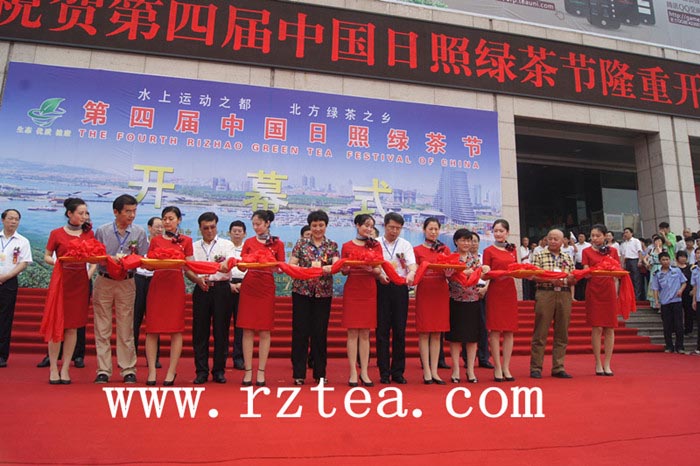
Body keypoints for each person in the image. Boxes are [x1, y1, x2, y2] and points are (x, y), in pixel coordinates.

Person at [93, 194, 148, 384]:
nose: (132, 215)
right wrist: (111, 259)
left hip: (127, 281)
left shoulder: (139, 232)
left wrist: (129, 261)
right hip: (105, 280)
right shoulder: (103, 231)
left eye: (134, 211)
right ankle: (103, 370)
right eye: (128, 211)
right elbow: (96, 256)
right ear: (116, 212)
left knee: (126, 327)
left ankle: (128, 369)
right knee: (102, 327)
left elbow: (142, 257)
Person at [43, 198, 93, 384]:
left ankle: (65, 368)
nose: (84, 216)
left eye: (85, 213)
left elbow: (94, 258)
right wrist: (58, 262)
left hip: (80, 283)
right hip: (62, 281)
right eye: (80, 213)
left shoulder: (89, 234)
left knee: (73, 327)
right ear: (69, 214)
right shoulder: (56, 233)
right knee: (57, 324)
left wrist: (88, 274)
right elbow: (47, 256)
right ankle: (53, 368)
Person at [289, 210, 340, 385]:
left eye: (321, 225)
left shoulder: (332, 245)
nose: (318, 229)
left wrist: (330, 268)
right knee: (300, 332)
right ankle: (298, 373)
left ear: (326, 226)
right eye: (314, 225)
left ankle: (320, 373)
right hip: (301, 292)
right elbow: (292, 264)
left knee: (320, 333)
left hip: (323, 294)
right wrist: (304, 270)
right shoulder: (301, 244)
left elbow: (337, 265)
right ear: (310, 226)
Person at [144, 206, 193, 386]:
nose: (167, 222)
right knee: (152, 329)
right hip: (158, 285)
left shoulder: (186, 241)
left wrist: (200, 279)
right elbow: (149, 264)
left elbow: (189, 266)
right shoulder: (155, 240)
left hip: (175, 285)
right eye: (164, 218)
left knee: (176, 329)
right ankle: (151, 371)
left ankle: (171, 371)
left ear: (179, 220)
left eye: (171, 218)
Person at [238, 210, 285, 387]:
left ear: (267, 223)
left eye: (259, 224)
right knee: (247, 330)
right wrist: (242, 263)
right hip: (250, 285)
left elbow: (280, 268)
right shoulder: (249, 242)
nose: (256, 227)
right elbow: (242, 267)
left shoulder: (277, 243)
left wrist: (270, 263)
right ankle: (248, 370)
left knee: (265, 330)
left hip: (266, 286)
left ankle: (261, 371)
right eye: (254, 224)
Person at [188, 212, 236, 384]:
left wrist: (222, 266)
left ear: (217, 226)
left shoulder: (227, 245)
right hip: (201, 289)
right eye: (205, 228)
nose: (209, 231)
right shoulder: (193, 246)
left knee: (221, 331)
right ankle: (201, 371)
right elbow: (187, 268)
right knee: (200, 332)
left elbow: (229, 263)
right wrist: (197, 279)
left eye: (212, 227)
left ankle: (219, 370)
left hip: (221, 289)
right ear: (200, 228)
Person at [341, 213, 382, 387]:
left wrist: (371, 269)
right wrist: (347, 267)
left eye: (371, 226)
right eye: (366, 225)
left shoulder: (376, 245)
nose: (368, 229)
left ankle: (364, 371)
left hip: (368, 290)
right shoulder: (347, 246)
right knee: (352, 332)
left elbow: (379, 270)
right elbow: (343, 271)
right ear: (357, 225)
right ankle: (352, 371)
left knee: (365, 333)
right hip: (353, 289)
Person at [376, 212, 416, 385]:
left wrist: (412, 273)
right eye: (391, 227)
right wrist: (379, 275)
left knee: (400, 331)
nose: (394, 231)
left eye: (398, 228)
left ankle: (398, 372)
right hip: (381, 286)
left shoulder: (405, 244)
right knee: (382, 331)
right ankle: (384, 372)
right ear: (384, 226)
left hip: (400, 287)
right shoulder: (376, 243)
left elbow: (412, 264)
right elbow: (373, 264)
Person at [529, 229, 575, 379]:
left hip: (564, 293)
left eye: (556, 239)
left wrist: (572, 279)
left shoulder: (567, 257)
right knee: (540, 331)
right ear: (546, 239)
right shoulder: (539, 255)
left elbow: (573, 277)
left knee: (562, 332)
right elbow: (533, 275)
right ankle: (536, 367)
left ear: (563, 241)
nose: (553, 241)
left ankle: (558, 367)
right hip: (545, 292)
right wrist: (550, 279)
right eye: (550, 238)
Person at [413, 217, 452, 385]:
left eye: (436, 229)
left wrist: (449, 273)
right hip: (425, 291)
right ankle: (427, 371)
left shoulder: (445, 249)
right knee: (424, 332)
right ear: (424, 230)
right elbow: (414, 271)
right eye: (430, 229)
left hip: (440, 291)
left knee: (437, 333)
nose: (434, 232)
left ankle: (435, 371)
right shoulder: (416, 250)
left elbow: (450, 270)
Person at [582, 224, 621, 376]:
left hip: (609, 290)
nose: (594, 238)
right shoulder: (586, 251)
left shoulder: (613, 251)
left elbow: (618, 272)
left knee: (610, 327)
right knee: (597, 327)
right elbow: (585, 272)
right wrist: (593, 271)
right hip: (594, 289)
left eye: (598, 235)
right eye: (592, 235)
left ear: (605, 236)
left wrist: (616, 292)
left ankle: (608, 363)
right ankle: (598, 362)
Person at [483, 219, 518, 382]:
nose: (498, 234)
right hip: (495, 291)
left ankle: (506, 367)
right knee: (495, 330)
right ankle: (497, 366)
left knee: (509, 330)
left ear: (507, 233)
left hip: (509, 290)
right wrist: (486, 272)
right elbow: (485, 275)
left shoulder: (512, 249)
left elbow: (516, 268)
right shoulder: (488, 251)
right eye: (495, 231)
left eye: (501, 231)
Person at [447, 229, 482, 383]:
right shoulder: (451, 258)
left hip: (472, 300)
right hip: (455, 300)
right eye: (463, 240)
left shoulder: (475, 259)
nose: (466, 243)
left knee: (472, 338)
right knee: (455, 337)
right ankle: (455, 369)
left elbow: (479, 276)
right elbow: (446, 277)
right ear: (456, 241)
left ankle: (470, 370)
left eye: (469, 240)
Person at [0, 209, 32, 368]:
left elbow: (23, 263)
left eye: (16, 219)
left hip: (9, 282)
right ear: (3, 220)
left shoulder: (23, 241)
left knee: (5, 319)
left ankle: (1, 355)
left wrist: (6, 276)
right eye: (10, 218)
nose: (13, 221)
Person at [133, 216, 163, 369]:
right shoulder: (140, 243)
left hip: (155, 280)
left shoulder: (164, 245)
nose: (160, 229)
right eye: (157, 226)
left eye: (162, 227)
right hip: (138, 279)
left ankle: (154, 357)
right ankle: (130, 357)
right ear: (149, 228)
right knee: (135, 319)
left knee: (154, 320)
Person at [651, 251, 686, 354]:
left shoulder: (676, 270)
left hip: (676, 300)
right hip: (665, 302)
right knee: (667, 325)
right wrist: (656, 301)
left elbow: (684, 282)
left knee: (679, 324)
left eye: (667, 259)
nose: (666, 261)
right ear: (660, 261)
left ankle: (680, 346)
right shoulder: (657, 274)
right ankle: (669, 346)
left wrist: (680, 290)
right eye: (663, 260)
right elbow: (655, 289)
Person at [469, 232, 493, 369]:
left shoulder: (484, 258)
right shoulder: (463, 259)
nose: (473, 244)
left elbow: (490, 275)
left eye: (475, 241)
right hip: (467, 293)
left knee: (484, 326)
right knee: (468, 327)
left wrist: (485, 289)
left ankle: (484, 358)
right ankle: (468, 359)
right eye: (470, 241)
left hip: (483, 291)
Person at [228, 220, 246, 370]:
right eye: (234, 231)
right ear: (229, 233)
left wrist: (242, 285)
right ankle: (221, 358)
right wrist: (229, 285)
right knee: (222, 323)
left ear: (244, 234)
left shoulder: (248, 249)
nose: (237, 233)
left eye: (240, 231)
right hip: (225, 285)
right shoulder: (224, 247)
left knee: (240, 325)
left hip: (244, 286)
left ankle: (239, 357)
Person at [619, 227, 645, 301]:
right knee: (628, 279)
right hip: (627, 261)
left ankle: (637, 297)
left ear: (631, 233)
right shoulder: (623, 244)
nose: (625, 234)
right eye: (624, 232)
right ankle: (630, 296)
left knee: (636, 279)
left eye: (627, 232)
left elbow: (639, 251)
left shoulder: (636, 241)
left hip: (634, 260)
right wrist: (622, 264)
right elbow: (623, 255)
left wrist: (640, 261)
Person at [643, 235, 665, 310]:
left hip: (661, 267)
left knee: (660, 284)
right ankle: (654, 303)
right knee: (653, 284)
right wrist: (647, 263)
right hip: (653, 268)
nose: (657, 242)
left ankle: (661, 303)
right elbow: (645, 258)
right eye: (656, 241)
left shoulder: (664, 249)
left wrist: (659, 249)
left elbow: (662, 257)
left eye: (659, 241)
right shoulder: (651, 250)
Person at [675, 251, 695, 336]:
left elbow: (694, 280)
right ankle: (677, 329)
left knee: (688, 311)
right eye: (681, 256)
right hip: (677, 293)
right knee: (677, 312)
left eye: (685, 257)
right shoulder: (674, 269)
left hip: (688, 292)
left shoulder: (690, 268)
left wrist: (693, 290)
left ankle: (688, 329)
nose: (683, 258)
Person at [688, 248, 700, 354]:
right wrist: (694, 300)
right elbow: (695, 286)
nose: (698, 255)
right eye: (697, 253)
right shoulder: (695, 270)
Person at [574, 232, 591, 301]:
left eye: (582, 237)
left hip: (585, 265)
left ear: (585, 238)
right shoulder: (575, 245)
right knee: (578, 281)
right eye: (579, 237)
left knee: (585, 281)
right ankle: (578, 297)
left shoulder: (588, 245)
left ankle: (584, 297)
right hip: (577, 265)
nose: (580, 238)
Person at [519, 236, 534, 300]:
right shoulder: (520, 249)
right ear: (522, 242)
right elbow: (519, 259)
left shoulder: (528, 249)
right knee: (524, 283)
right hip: (523, 268)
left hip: (528, 268)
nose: (526, 242)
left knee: (528, 283)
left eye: (527, 241)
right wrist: (525, 257)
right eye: (524, 241)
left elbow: (530, 259)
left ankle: (528, 297)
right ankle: (524, 297)